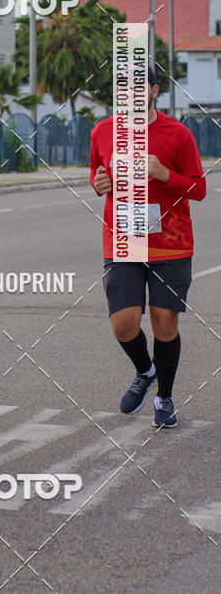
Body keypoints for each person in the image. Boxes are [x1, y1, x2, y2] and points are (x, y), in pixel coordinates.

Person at [90, 66, 206, 428]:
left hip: (170, 245)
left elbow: (199, 189)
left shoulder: (178, 134)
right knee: (123, 324)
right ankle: (146, 370)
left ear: (155, 90)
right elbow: (96, 171)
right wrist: (98, 182)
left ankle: (164, 397)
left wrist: (164, 175)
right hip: (123, 241)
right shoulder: (102, 131)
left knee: (164, 321)